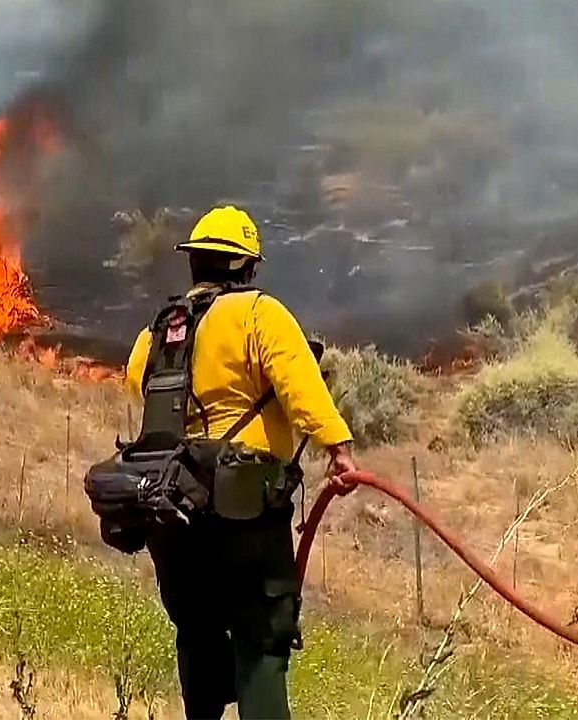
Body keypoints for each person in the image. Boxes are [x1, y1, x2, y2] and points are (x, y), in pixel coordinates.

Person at [123, 205, 358, 719]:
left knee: (198, 634)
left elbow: (136, 380)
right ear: (245, 267)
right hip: (245, 510)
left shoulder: (161, 328)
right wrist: (337, 448)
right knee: (262, 642)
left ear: (195, 263)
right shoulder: (259, 315)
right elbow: (300, 386)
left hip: (173, 513)